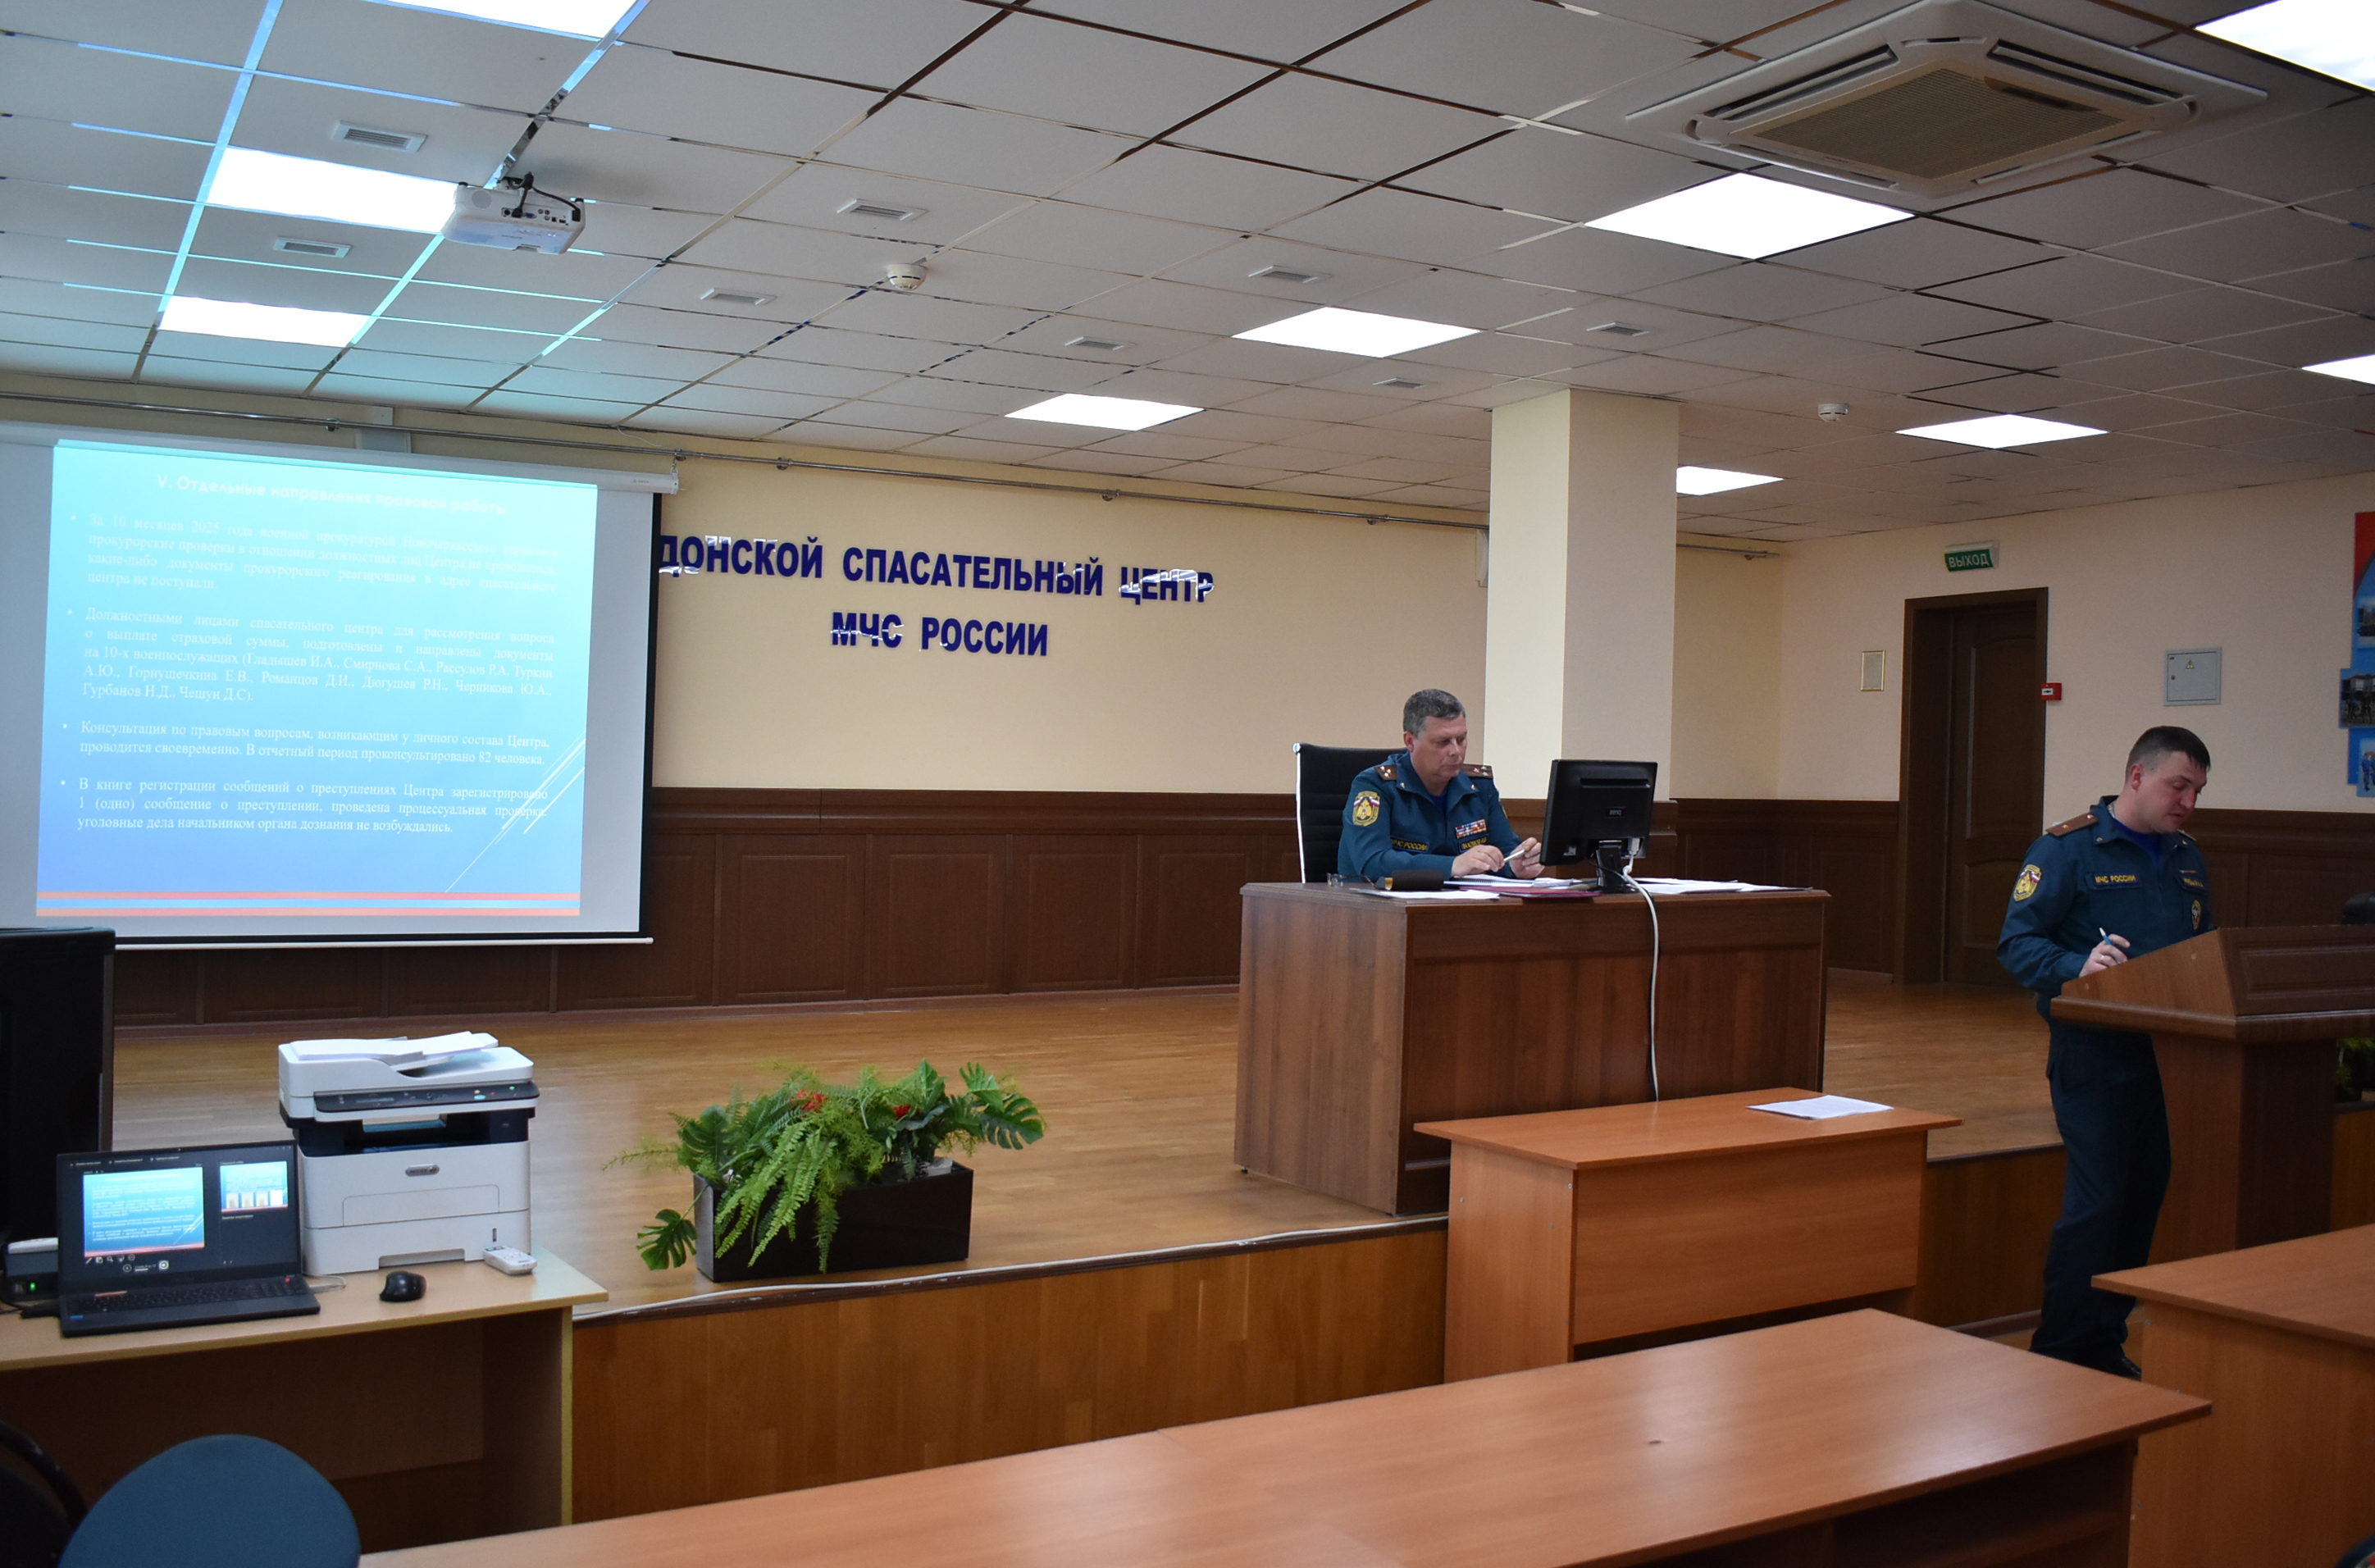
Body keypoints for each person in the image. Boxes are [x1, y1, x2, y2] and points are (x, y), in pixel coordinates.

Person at [1998, 725, 2213, 1379]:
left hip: (2168, 1058)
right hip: (2094, 1057)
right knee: (2096, 1207)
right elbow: (2016, 944)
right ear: (2137, 776)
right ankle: (2059, 1352)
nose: (2188, 803)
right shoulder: (2067, 850)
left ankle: (2104, 1343)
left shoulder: (2187, 857)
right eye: (2179, 786)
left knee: (2141, 1203)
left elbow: (2201, 948)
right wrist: (2078, 965)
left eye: (2198, 791)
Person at [1338, 689, 1543, 882]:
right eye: (1443, 742)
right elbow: (1372, 862)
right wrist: (1453, 865)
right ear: (1410, 742)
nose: (1456, 751)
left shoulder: (1480, 786)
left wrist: (1515, 865)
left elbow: (1505, 850)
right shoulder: (1376, 786)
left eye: (1461, 739)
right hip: (1379, 905)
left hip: (1459, 902)